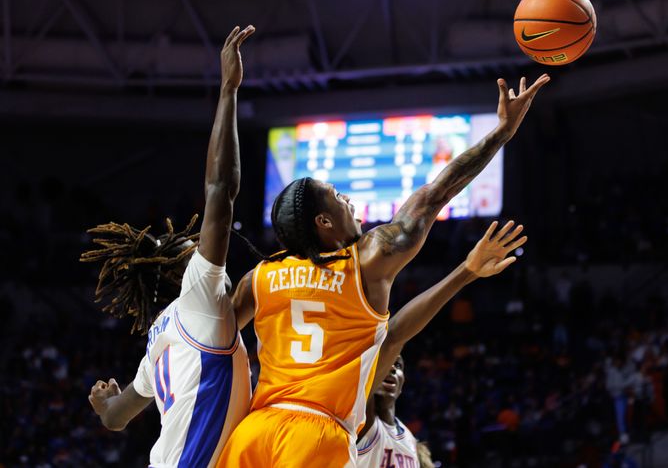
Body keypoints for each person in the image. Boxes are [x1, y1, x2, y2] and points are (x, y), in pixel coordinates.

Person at [219, 74, 550, 467]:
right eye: (339, 198)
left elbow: (212, 341)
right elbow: (433, 196)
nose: (350, 203)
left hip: (252, 431)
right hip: (316, 433)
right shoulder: (366, 261)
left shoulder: (258, 277)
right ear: (324, 222)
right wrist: (503, 132)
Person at [82, 25, 255, 467]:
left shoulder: (161, 341)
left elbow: (117, 419)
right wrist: (228, 91)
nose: (196, 244)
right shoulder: (197, 296)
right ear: (181, 267)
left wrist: (105, 404)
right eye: (186, 245)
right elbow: (220, 190)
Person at [358, 220, 526, 468]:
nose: (390, 369)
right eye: (385, 362)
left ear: (406, 380)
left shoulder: (410, 442)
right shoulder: (358, 419)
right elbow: (394, 336)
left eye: (397, 365)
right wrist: (466, 272)